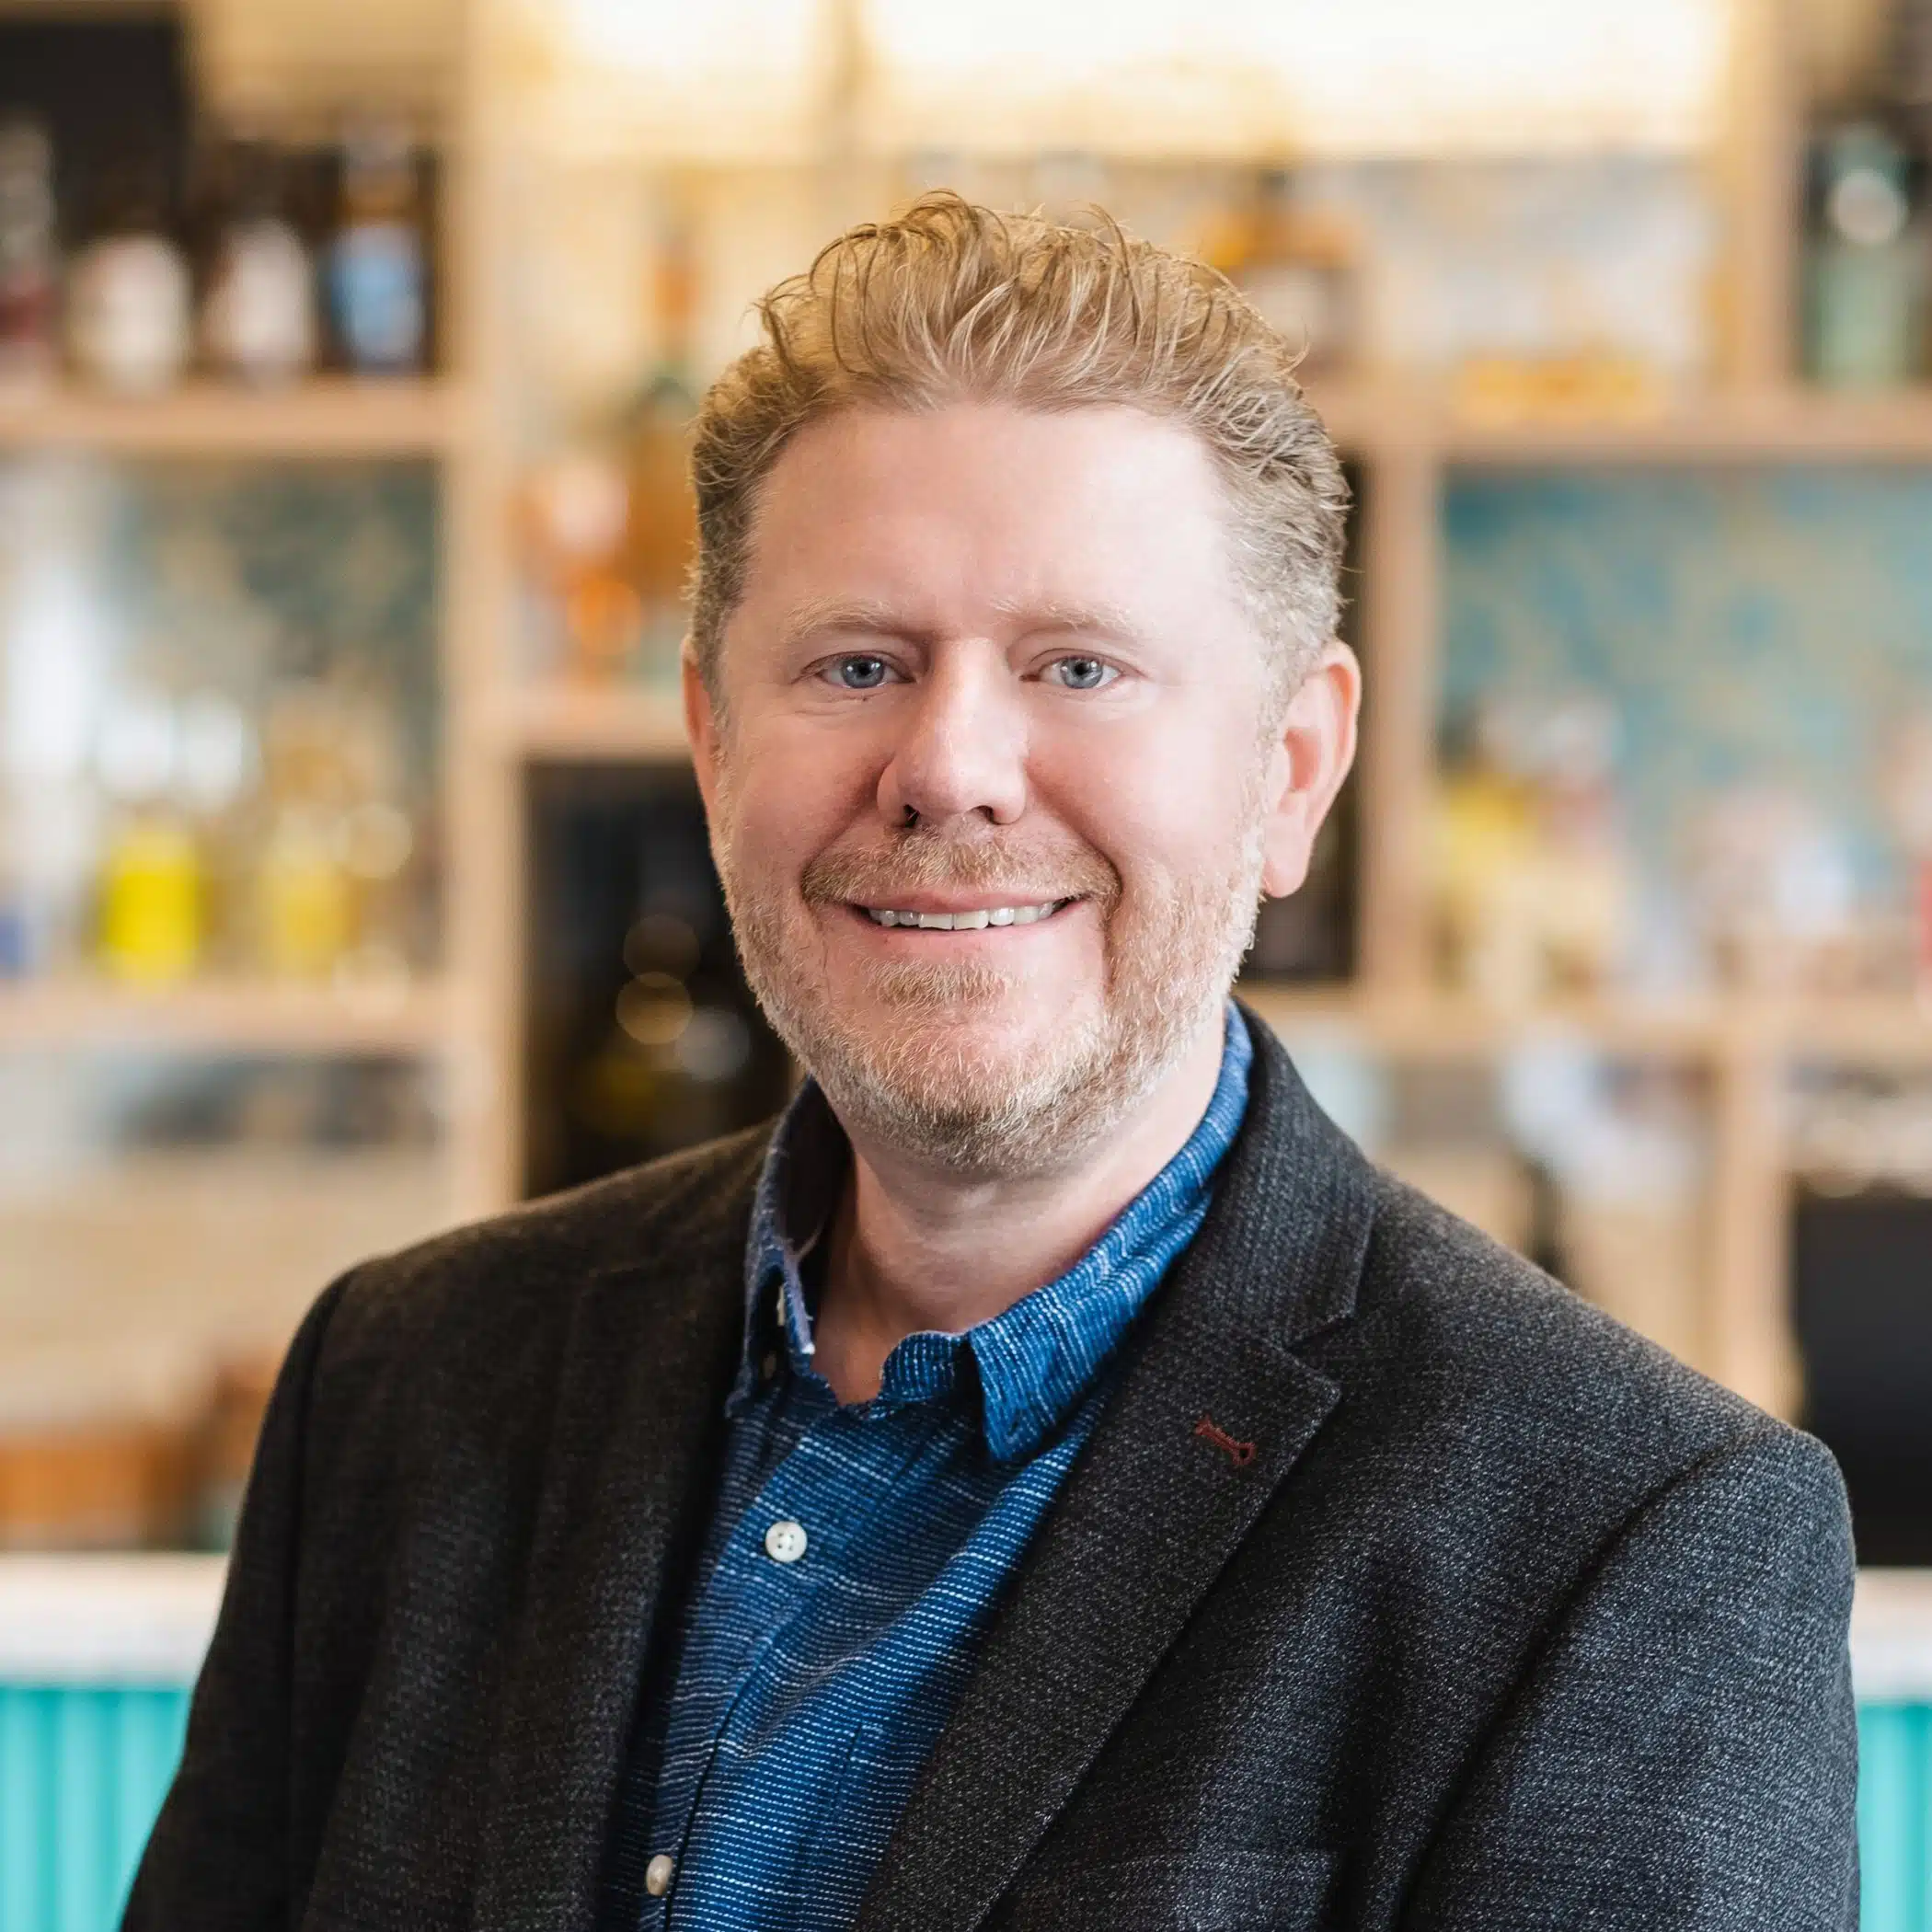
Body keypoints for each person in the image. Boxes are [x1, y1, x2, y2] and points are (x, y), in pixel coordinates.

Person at [125, 194, 1857, 1932]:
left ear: (1294, 770)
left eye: (1080, 667)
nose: (949, 768)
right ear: (714, 747)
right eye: (857, 663)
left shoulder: (1629, 1539)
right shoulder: (400, 1385)